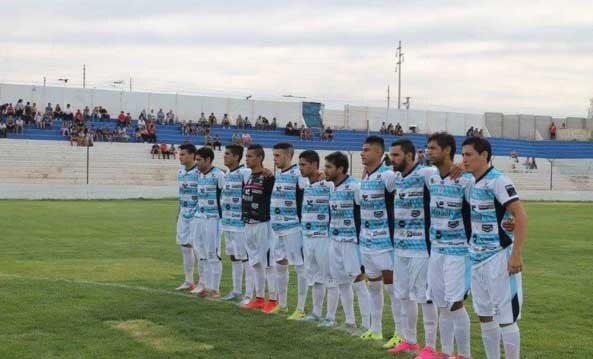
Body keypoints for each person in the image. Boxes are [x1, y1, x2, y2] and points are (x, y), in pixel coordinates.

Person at [462, 136, 527, 359]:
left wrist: (516, 255)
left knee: (506, 317)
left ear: (485, 156)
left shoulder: (499, 181)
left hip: (499, 257)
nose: (464, 159)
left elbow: (520, 215)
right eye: (463, 155)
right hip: (477, 259)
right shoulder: (471, 183)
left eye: (469, 154)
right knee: (484, 314)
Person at [422, 133, 474, 359]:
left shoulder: (466, 180)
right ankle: (444, 353)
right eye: (427, 148)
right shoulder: (430, 177)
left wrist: (466, 167)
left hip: (458, 251)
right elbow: (402, 168)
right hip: (437, 250)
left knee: (455, 304)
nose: (428, 152)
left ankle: (464, 354)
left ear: (447, 150)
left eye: (433, 148)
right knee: (441, 304)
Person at [358, 136, 403, 347]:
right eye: (362, 150)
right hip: (367, 242)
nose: (362, 153)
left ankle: (399, 333)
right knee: (374, 287)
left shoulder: (387, 176)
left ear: (378, 153)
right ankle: (375, 329)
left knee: (392, 288)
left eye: (366, 150)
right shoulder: (366, 177)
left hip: (385, 242)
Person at [324, 151, 370, 331]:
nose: (325, 170)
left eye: (329, 167)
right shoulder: (331, 187)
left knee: (358, 281)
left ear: (340, 169)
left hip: (352, 241)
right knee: (341, 281)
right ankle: (350, 321)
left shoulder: (355, 187)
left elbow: (364, 213)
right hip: (334, 240)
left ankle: (366, 323)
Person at [269, 142, 307, 316]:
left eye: (277, 155)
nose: (275, 159)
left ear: (287, 156)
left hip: (293, 228)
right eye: (274, 155)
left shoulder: (299, 174)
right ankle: (282, 304)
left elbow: (309, 194)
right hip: (277, 229)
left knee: (300, 267)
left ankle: (300, 308)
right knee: (279, 264)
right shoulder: (279, 174)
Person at [240, 145, 278, 311]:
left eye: (250, 156)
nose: (246, 159)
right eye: (246, 156)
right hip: (248, 224)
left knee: (269, 263)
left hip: (264, 224)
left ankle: (274, 300)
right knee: (254, 262)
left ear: (259, 158)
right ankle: (260, 297)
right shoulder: (247, 175)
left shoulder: (268, 177)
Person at [297, 150, 332, 322]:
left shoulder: (328, 184)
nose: (300, 168)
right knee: (314, 276)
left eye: (303, 165)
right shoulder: (306, 185)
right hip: (308, 236)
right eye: (299, 164)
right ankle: (316, 312)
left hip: (323, 236)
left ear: (314, 165)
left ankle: (331, 316)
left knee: (329, 277)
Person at [220, 145, 255, 304]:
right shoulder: (227, 173)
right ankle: (236, 290)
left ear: (236, 157)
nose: (224, 157)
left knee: (245, 258)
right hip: (227, 223)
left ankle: (249, 295)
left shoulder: (245, 173)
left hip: (240, 224)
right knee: (233, 257)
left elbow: (260, 179)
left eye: (227, 154)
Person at [190, 147, 226, 299]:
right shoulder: (198, 175)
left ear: (208, 160)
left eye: (199, 160)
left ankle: (215, 288)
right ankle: (204, 284)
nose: (196, 163)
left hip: (213, 219)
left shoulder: (219, 175)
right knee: (199, 251)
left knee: (213, 253)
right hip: (199, 217)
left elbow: (226, 197)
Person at [174, 144, 200, 292]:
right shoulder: (181, 171)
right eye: (180, 154)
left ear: (192, 155)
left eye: (183, 154)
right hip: (184, 213)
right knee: (185, 246)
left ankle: (203, 282)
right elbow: (182, 193)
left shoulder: (200, 170)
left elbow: (221, 173)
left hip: (197, 214)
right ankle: (189, 281)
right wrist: (179, 211)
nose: (180, 156)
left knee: (198, 247)